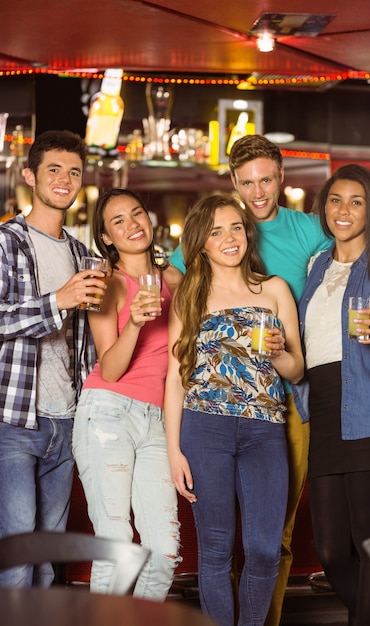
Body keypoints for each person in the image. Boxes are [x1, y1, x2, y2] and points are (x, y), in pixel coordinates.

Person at [169, 134, 370, 625]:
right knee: (297, 545)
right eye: (247, 182)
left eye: (266, 179)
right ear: (234, 183)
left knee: (273, 540)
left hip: (300, 401)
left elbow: (365, 251)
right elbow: (176, 285)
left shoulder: (315, 239)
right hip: (298, 405)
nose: (258, 192)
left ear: (282, 177)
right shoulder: (303, 263)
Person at [164, 193, 304, 626]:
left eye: (236, 227)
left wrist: (280, 353)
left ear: (247, 233)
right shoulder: (190, 292)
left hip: (265, 428)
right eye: (216, 231)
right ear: (201, 244)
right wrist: (174, 452)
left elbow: (296, 371)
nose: (229, 238)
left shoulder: (275, 288)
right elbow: (174, 378)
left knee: (264, 547)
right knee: (216, 548)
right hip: (204, 429)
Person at [293, 164, 370, 626]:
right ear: (324, 207)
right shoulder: (316, 264)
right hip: (325, 409)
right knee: (330, 550)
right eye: (335, 200)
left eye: (356, 201)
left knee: (369, 540)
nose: (343, 210)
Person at [0, 129, 103, 588]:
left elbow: (89, 345)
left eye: (74, 172)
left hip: (67, 421)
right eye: (54, 170)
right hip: (14, 421)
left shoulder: (83, 254)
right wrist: (57, 300)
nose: (64, 180)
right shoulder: (6, 242)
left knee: (47, 561)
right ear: (30, 176)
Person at [72, 188, 182, 599]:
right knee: (116, 544)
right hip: (107, 413)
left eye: (136, 214)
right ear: (106, 237)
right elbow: (112, 369)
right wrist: (134, 323)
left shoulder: (173, 278)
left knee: (164, 551)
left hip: (158, 419)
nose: (132, 224)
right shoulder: (107, 284)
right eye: (118, 221)